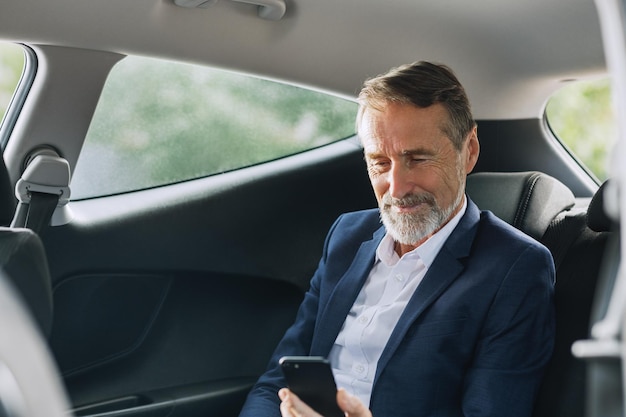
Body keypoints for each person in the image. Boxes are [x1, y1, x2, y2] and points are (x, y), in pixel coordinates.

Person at [238, 61, 555, 417]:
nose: (397, 187)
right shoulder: (345, 236)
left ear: (469, 151)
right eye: (379, 162)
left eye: (417, 159)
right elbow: (275, 383)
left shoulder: (515, 268)